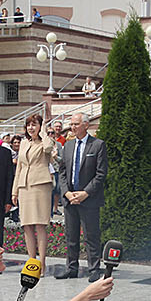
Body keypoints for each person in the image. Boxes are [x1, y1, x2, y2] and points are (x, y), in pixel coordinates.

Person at [53, 110, 107, 273]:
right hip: (70, 199)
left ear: (86, 125)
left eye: (76, 124)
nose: (72, 127)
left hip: (88, 199)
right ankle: (71, 268)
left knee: (91, 236)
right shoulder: (68, 146)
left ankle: (94, 269)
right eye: (71, 124)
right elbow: (62, 172)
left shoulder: (97, 145)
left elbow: (101, 174)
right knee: (71, 236)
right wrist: (67, 193)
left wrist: (85, 193)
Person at [12, 110, 54, 275]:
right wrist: (14, 191)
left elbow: (49, 148)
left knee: (40, 224)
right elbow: (19, 168)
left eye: (34, 124)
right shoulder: (23, 143)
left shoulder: (45, 141)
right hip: (24, 186)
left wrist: (43, 131)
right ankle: (32, 263)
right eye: (28, 124)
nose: (31, 128)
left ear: (40, 126)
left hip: (40, 185)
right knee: (26, 225)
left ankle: (42, 263)